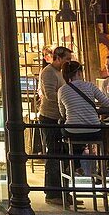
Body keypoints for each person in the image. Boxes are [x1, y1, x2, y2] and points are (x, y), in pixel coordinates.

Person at [57, 60, 109, 194]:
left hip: (72, 132)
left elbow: (62, 113)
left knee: (64, 129)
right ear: (79, 72)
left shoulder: (62, 90)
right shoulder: (90, 86)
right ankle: (103, 168)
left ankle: (74, 163)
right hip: (93, 132)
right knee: (103, 131)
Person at [38, 46, 72, 204]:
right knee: (53, 153)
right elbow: (49, 94)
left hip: (60, 117)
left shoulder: (60, 73)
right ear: (58, 58)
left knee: (62, 153)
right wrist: (66, 98)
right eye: (67, 59)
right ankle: (52, 193)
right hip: (50, 117)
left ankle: (62, 192)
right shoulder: (48, 72)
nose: (69, 62)